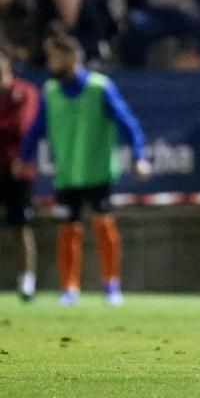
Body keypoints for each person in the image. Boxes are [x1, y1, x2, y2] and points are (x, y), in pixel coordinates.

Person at [14, 34, 150, 306]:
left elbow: (128, 123)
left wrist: (138, 156)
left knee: (104, 225)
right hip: (67, 174)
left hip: (97, 171)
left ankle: (111, 285)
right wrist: (24, 157)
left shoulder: (100, 87)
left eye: (55, 57)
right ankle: (69, 288)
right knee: (67, 229)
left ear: (71, 57)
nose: (50, 63)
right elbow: (36, 129)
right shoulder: (51, 91)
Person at [0, 44, 39, 301]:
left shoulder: (24, 92)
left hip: (17, 170)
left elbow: (24, 127)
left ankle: (27, 280)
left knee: (20, 225)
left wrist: (20, 159)